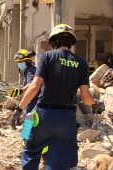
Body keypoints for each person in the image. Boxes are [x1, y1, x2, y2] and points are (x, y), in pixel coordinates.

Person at [18, 24, 95, 170]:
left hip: (44, 116)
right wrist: (95, 104)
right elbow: (86, 97)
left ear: (53, 41)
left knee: (31, 151)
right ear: (71, 42)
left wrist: (18, 108)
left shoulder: (46, 57)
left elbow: (34, 86)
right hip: (66, 119)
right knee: (59, 161)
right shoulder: (81, 62)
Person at [8, 49, 37, 130]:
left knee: (29, 127)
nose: (19, 64)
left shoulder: (30, 70)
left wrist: (20, 91)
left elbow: (31, 84)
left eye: (21, 62)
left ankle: (27, 139)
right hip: (33, 100)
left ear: (27, 61)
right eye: (18, 63)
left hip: (34, 101)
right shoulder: (31, 69)